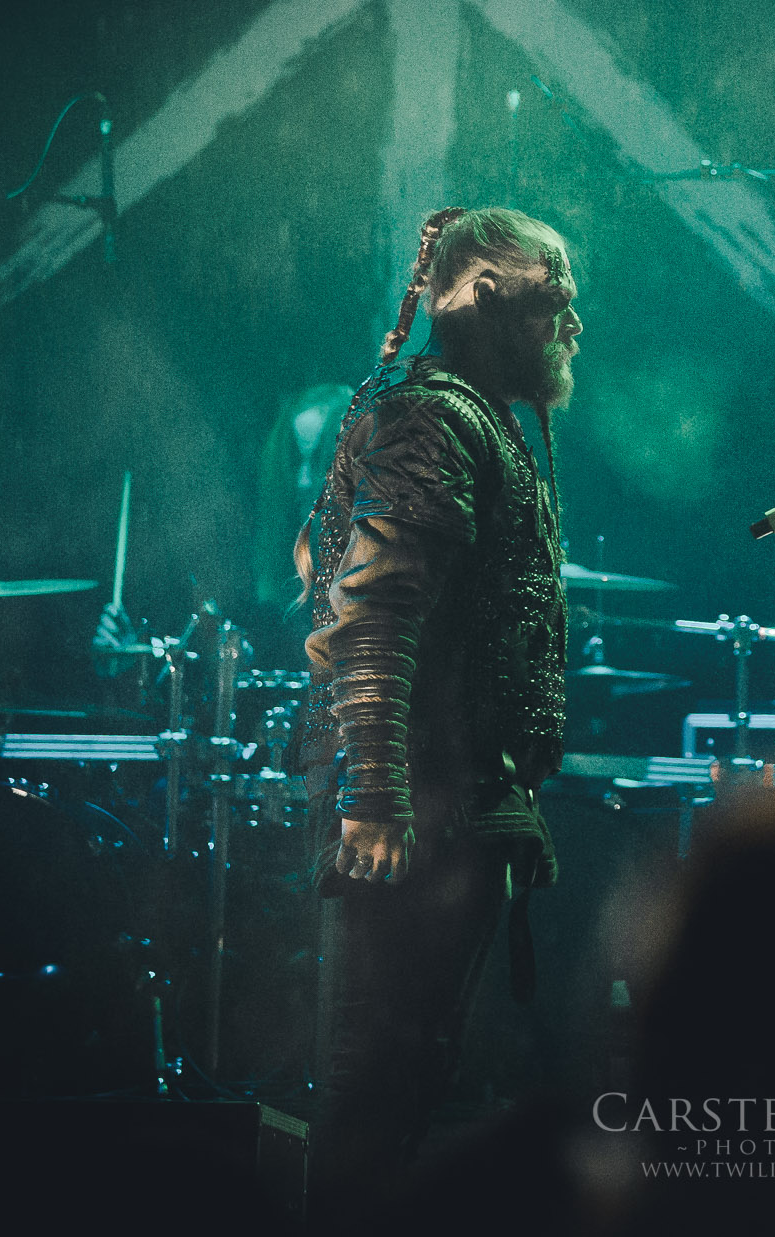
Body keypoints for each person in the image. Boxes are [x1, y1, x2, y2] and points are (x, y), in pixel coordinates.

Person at [294, 206, 584, 1205]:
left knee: (409, 1084)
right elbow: (373, 612)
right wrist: (376, 795)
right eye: (555, 299)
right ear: (487, 296)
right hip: (418, 810)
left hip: (450, 805)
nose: (571, 325)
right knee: (378, 1092)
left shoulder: (467, 417)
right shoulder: (435, 418)